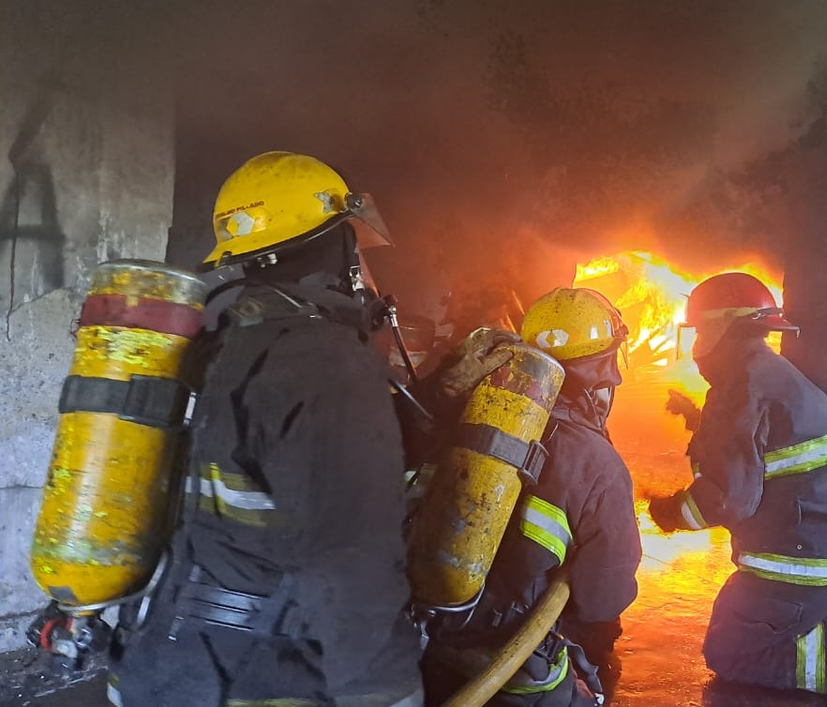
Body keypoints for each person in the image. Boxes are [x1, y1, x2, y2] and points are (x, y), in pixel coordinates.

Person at [107, 151, 423, 707]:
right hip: (264, 672)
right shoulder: (328, 365)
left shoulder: (221, 343)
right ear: (338, 244)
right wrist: (385, 691)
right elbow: (353, 562)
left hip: (165, 658)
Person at [647, 272, 827, 706]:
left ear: (723, 329)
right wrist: (695, 418)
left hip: (803, 554)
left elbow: (731, 498)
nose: (699, 342)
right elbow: (756, 449)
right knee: (733, 616)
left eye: (702, 329)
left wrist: (670, 514)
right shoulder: (763, 373)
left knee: (730, 652)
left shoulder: (742, 388)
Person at [422, 287, 642, 707]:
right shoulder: (598, 463)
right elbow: (603, 599)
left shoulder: (466, 412)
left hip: (430, 641)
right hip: (517, 663)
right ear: (605, 369)